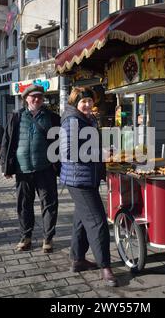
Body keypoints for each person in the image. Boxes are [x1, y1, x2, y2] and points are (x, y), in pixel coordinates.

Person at [60, 87, 118, 287]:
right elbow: (69, 151)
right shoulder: (72, 121)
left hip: (88, 177)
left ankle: (78, 260)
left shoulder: (88, 119)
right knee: (98, 221)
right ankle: (106, 267)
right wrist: (99, 154)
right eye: (83, 101)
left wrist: (103, 151)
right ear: (76, 103)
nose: (87, 104)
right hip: (79, 179)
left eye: (89, 101)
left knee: (81, 220)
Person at [0, 84, 60, 253]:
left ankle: (48, 238)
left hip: (45, 168)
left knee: (49, 204)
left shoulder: (52, 117)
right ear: (25, 98)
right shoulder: (16, 117)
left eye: (40, 97)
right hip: (23, 169)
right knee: (24, 205)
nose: (37, 99)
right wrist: (6, 166)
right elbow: (7, 141)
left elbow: (61, 142)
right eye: (33, 96)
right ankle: (26, 237)